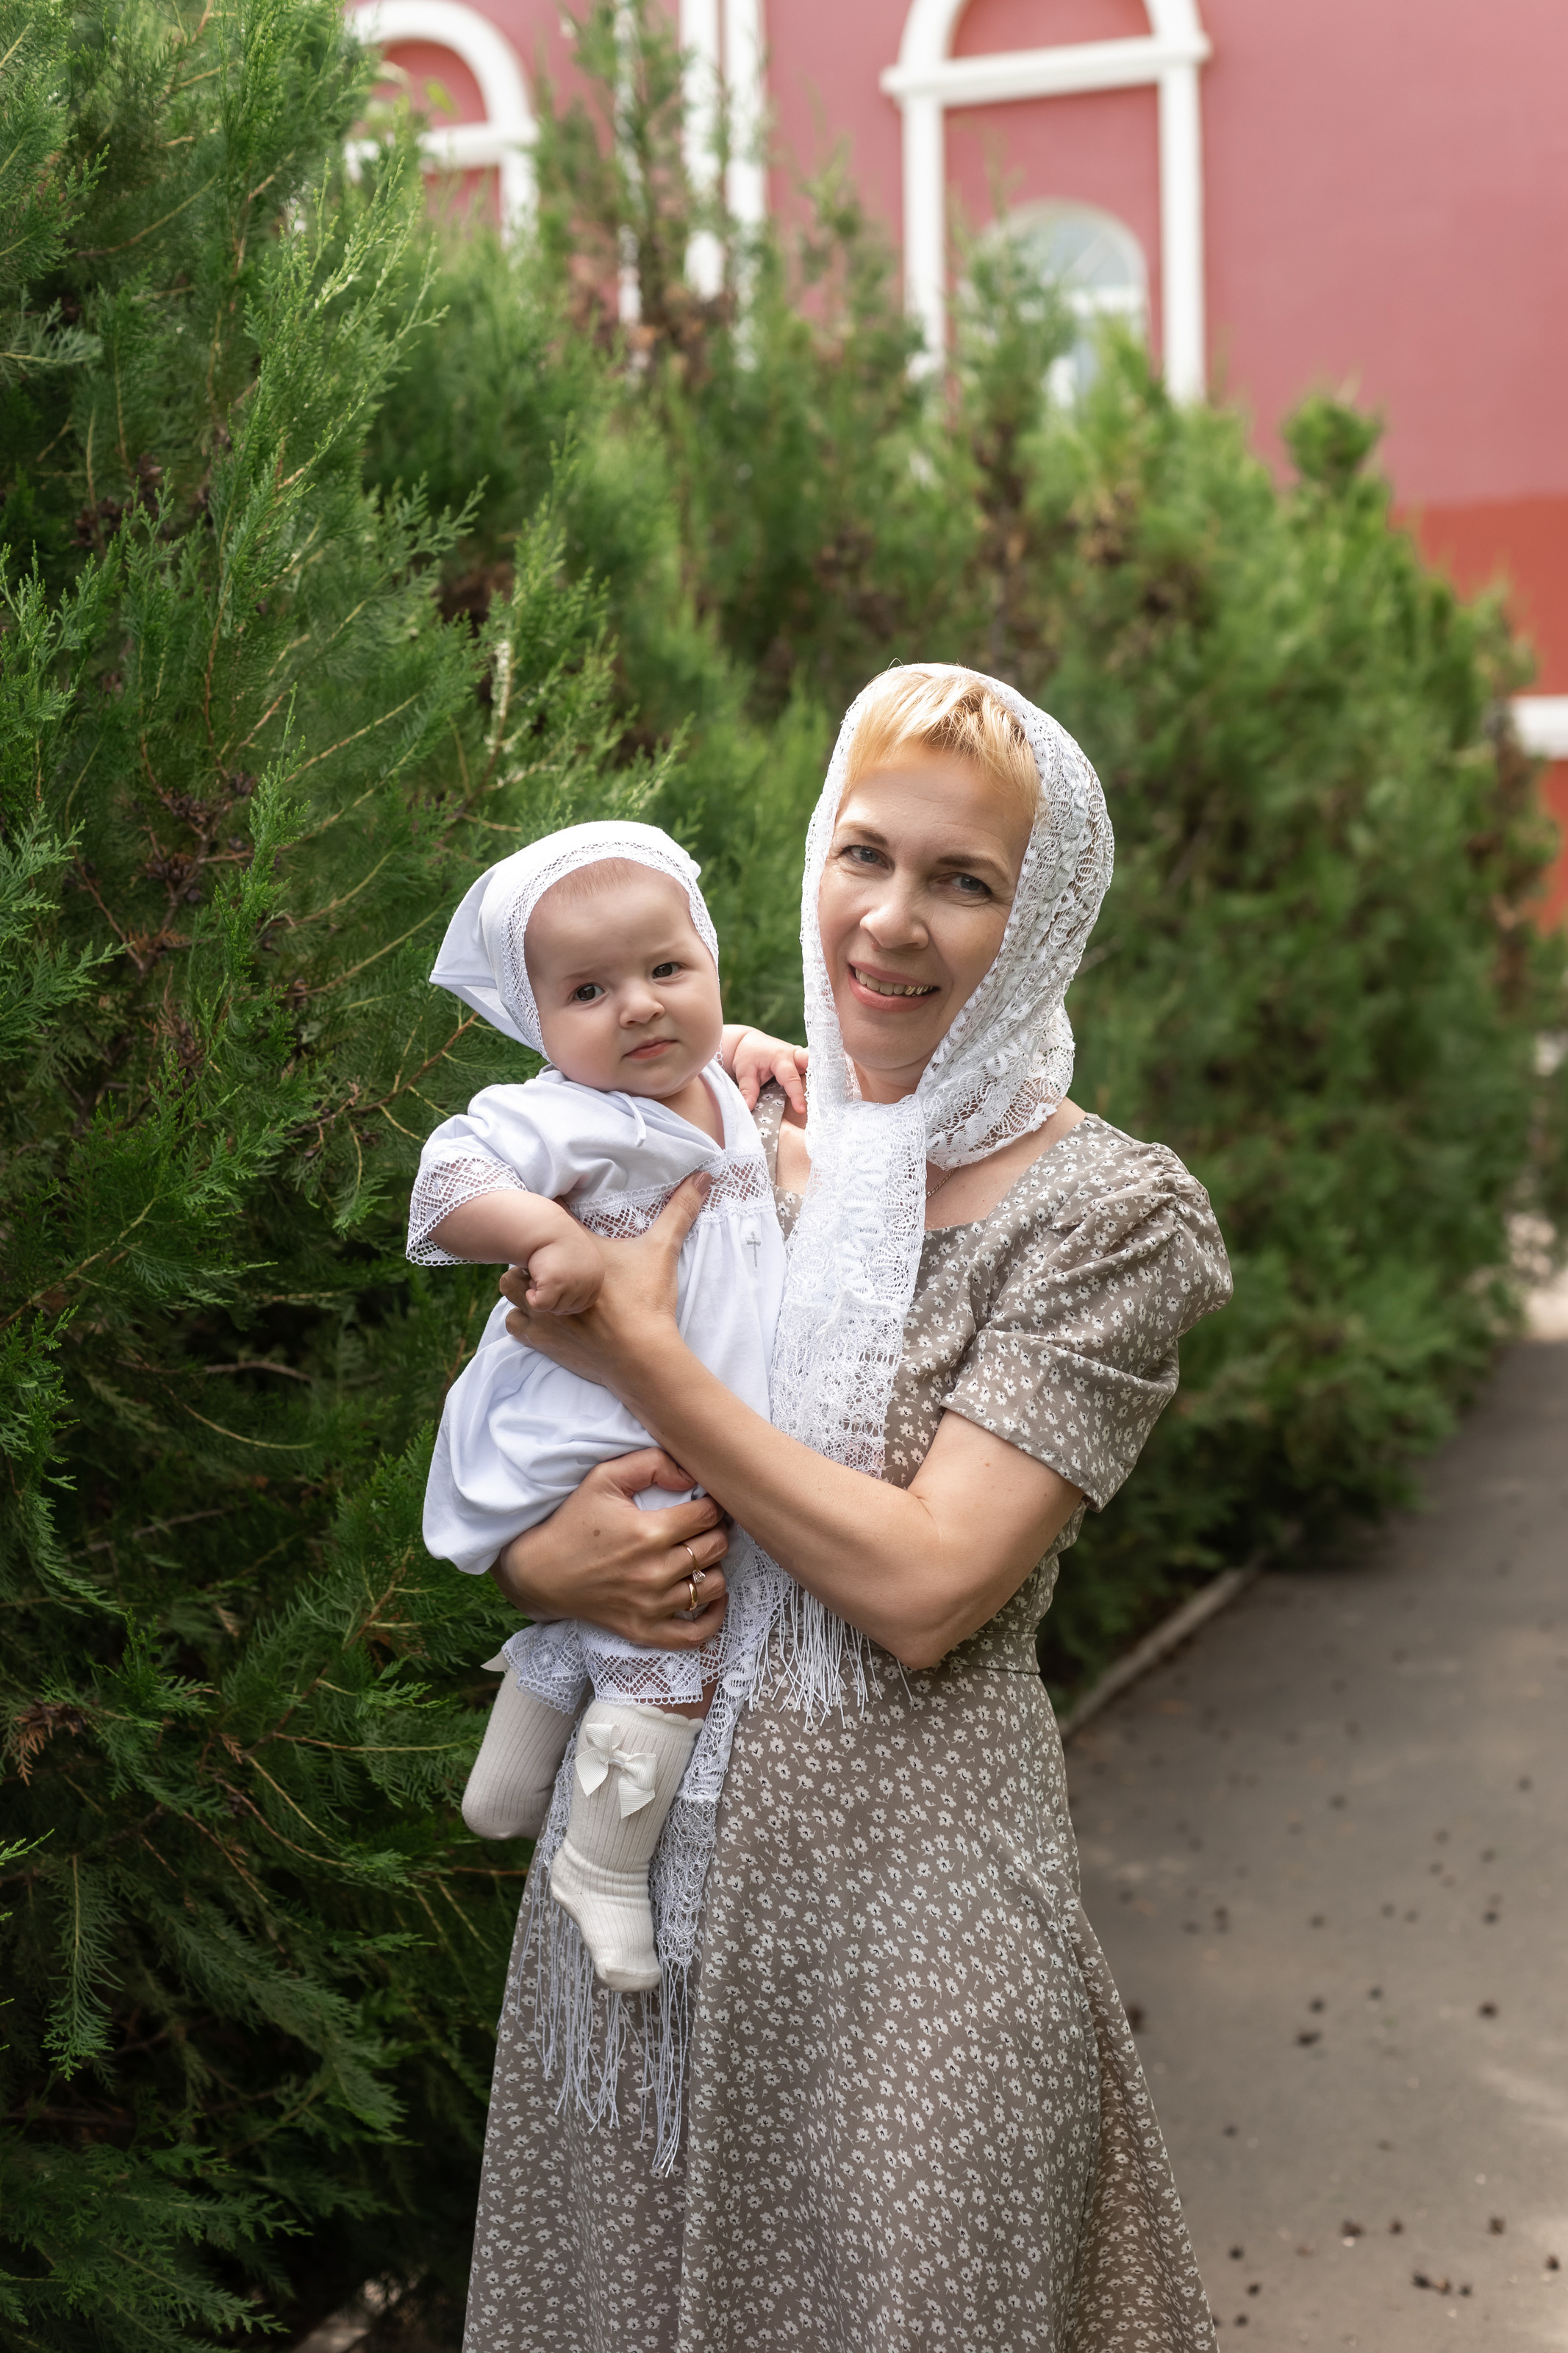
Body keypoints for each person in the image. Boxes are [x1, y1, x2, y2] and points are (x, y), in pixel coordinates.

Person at [462, 668, 1234, 2352]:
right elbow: (524, 1427)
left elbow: (928, 1581)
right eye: (862, 854)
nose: (889, 920)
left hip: (915, 1967)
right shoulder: (714, 1131)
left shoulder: (1101, 1215)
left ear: (1038, 927)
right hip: (636, 1942)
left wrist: (652, 1360)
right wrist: (541, 1558)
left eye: (963, 881)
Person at [409, 823, 791, 1991]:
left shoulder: (723, 1083)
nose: (636, 1008)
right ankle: (604, 1865)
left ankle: (507, 1777)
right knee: (675, 1615)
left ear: (709, 960)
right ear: (537, 1024)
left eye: (665, 970)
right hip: (590, 1417)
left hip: (662, 1408)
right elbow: (446, 1179)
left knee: (608, 1594)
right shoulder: (556, 1114)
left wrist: (753, 1043)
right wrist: (545, 1232)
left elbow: (714, 1054)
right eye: (588, 991)